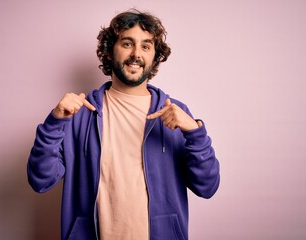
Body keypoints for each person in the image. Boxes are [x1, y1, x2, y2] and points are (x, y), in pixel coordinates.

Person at [27, 9, 220, 240]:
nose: (136, 54)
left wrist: (195, 133)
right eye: (127, 44)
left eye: (146, 46)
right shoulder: (78, 113)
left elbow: (207, 187)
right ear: (109, 52)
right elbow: (41, 180)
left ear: (154, 57)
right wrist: (54, 122)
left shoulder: (175, 114)